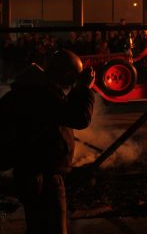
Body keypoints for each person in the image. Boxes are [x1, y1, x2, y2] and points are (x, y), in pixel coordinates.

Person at [5, 49, 95, 234]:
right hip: (44, 176)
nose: (73, 83)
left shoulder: (27, 90)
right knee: (54, 227)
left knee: (36, 225)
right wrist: (84, 89)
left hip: (29, 173)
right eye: (74, 77)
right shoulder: (42, 93)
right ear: (67, 74)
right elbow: (79, 118)